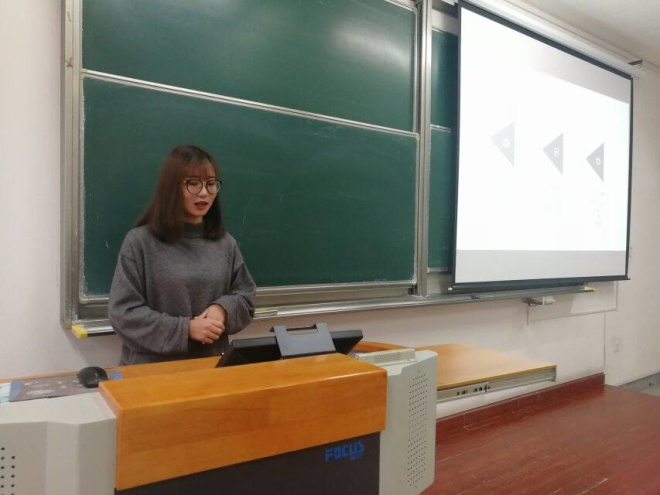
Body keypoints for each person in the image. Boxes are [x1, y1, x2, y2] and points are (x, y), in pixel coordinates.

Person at [108, 145, 256, 365]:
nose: (204, 193)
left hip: (211, 365)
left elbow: (246, 297)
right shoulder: (140, 242)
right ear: (172, 187)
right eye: (193, 183)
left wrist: (223, 309)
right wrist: (185, 329)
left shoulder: (226, 244)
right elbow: (123, 313)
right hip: (152, 371)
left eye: (210, 184)